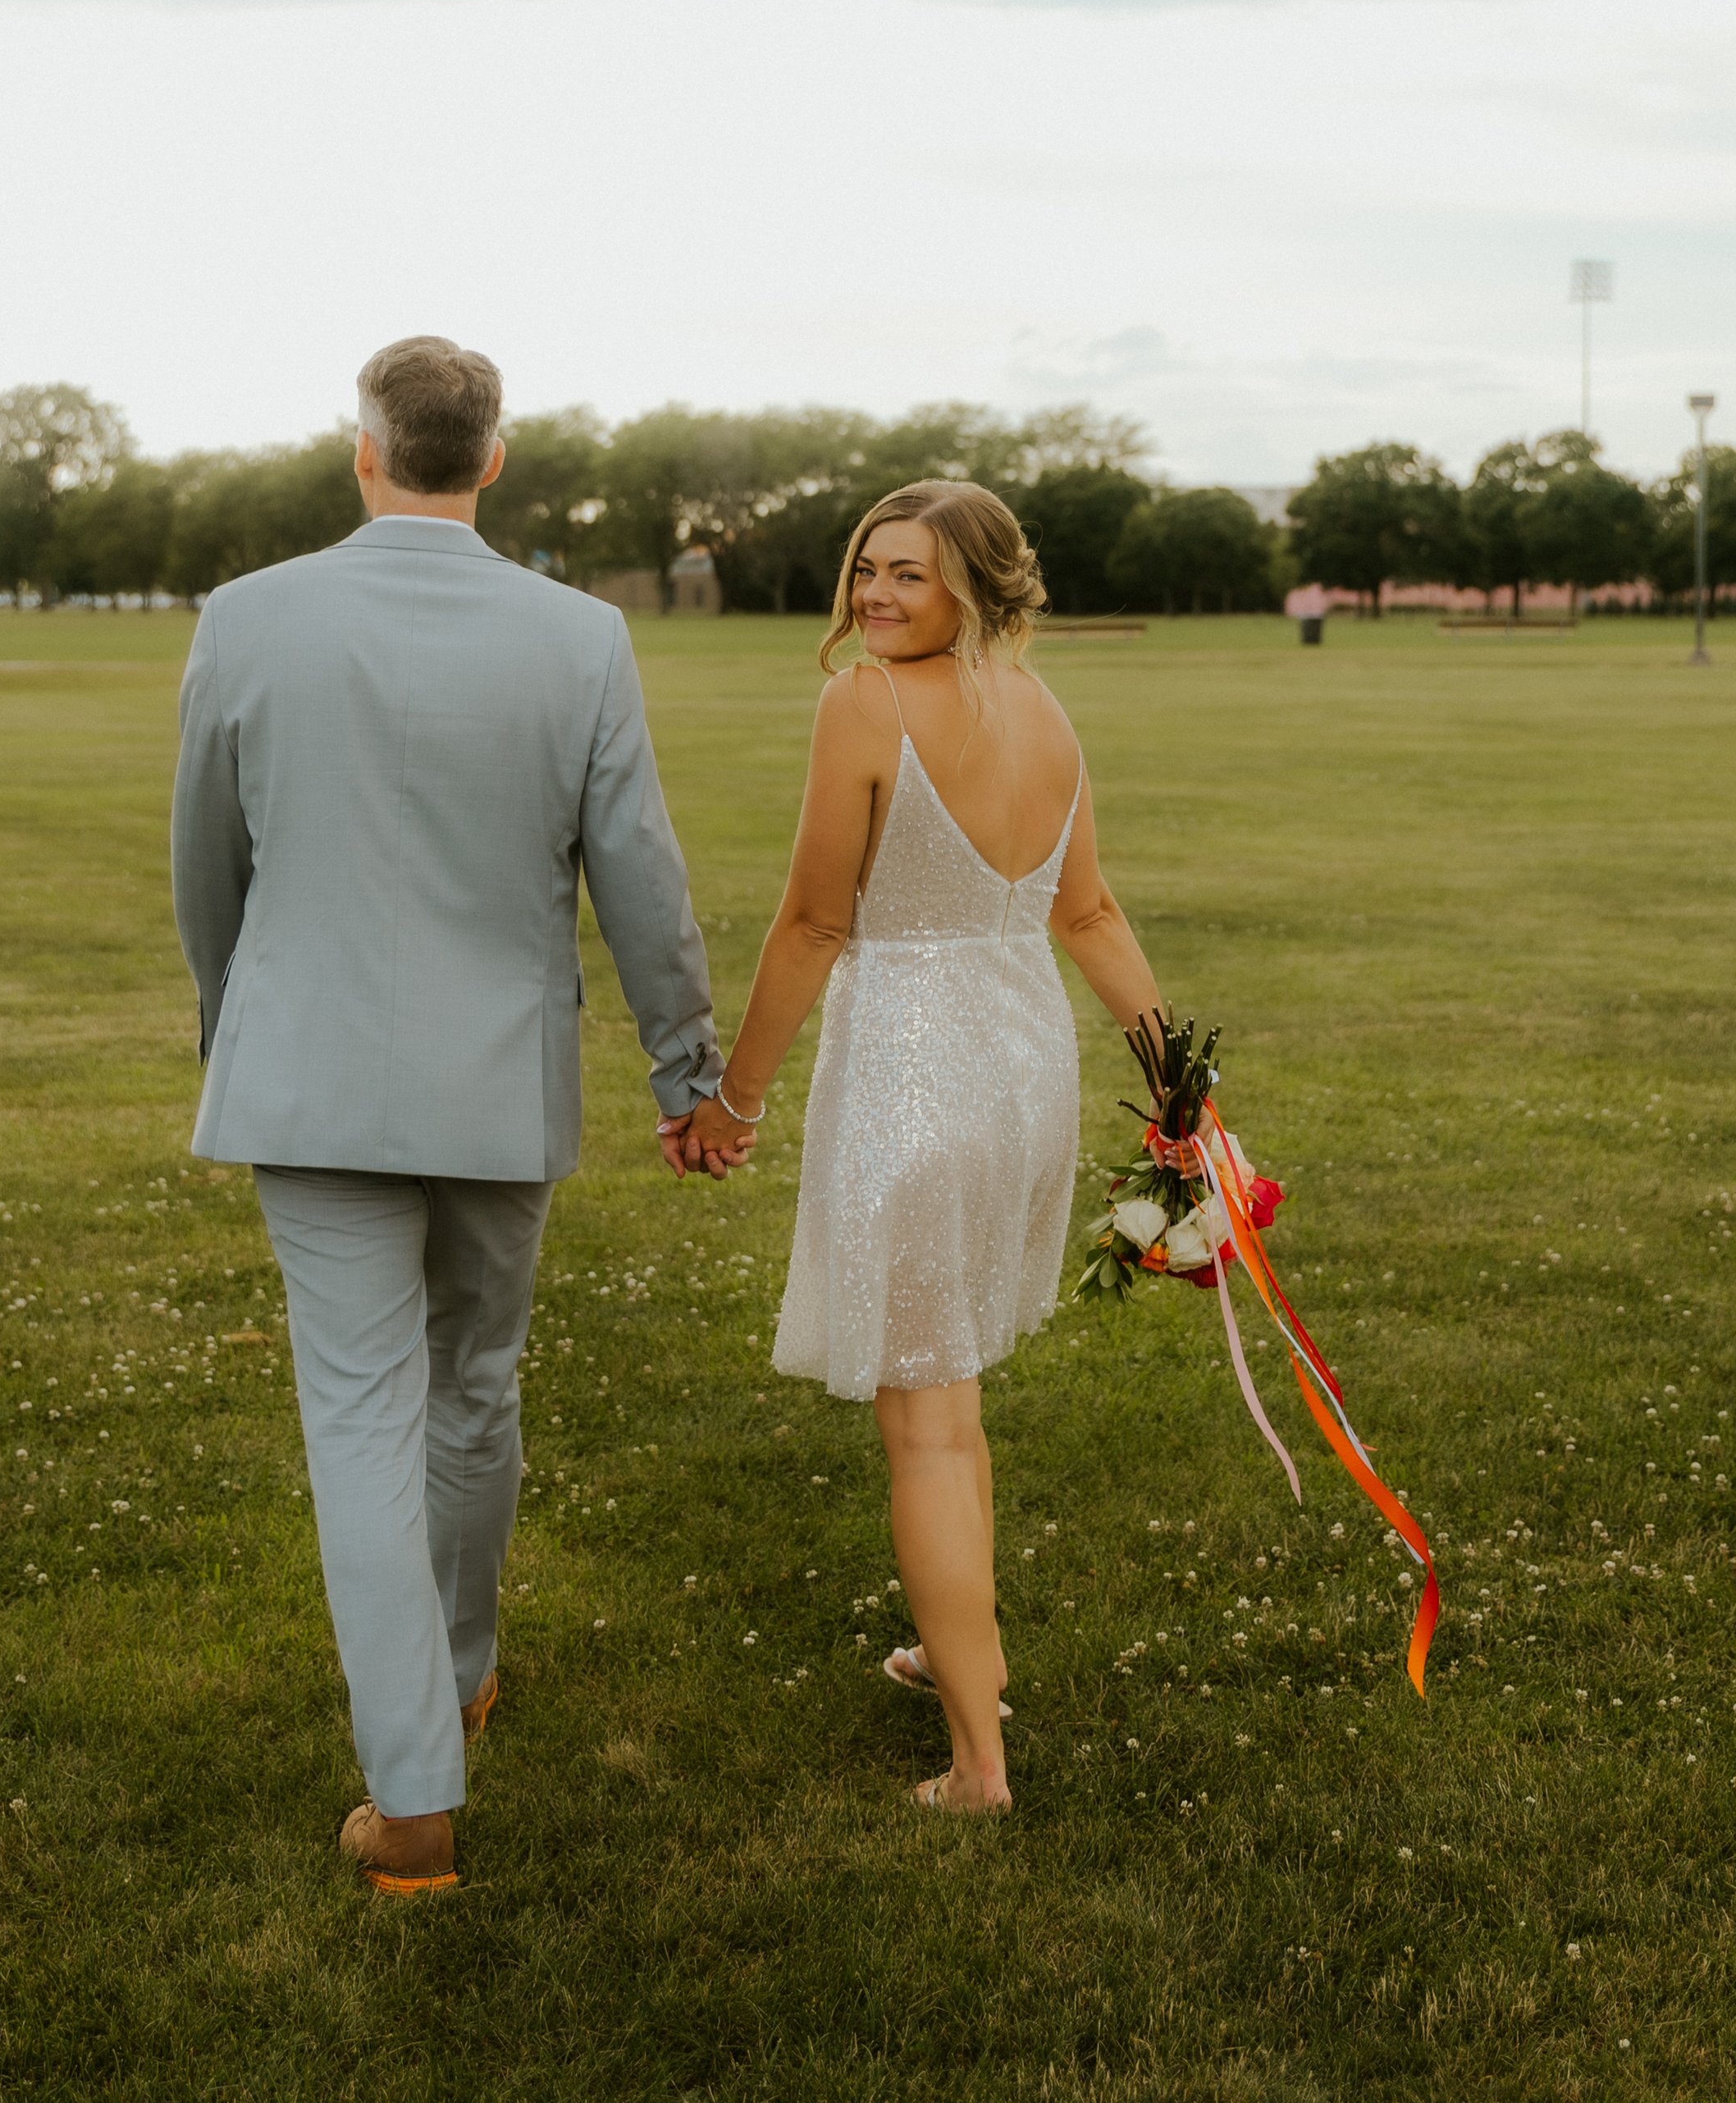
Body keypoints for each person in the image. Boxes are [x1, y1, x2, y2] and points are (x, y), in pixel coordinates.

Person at [171, 335, 752, 1894]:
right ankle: (460, 1677)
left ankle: (417, 1791)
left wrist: (238, 1028)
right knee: (473, 1386)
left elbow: (204, 869)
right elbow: (642, 879)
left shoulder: (247, 618)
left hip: (307, 1079)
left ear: (364, 451)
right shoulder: (580, 637)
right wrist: (687, 1070)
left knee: (363, 1416)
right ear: (494, 460)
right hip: (501, 1081)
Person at [695, 482, 1166, 1813]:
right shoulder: (1046, 712)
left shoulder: (866, 704)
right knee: (954, 1406)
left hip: (915, 1081)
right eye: (866, 571)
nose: (874, 597)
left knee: (931, 1431)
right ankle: (969, 1656)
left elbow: (808, 923)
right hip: (1024, 1082)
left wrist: (734, 1101)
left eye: (908, 575)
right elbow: (1092, 916)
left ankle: (977, 1763)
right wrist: (1176, 1085)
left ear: (975, 585)